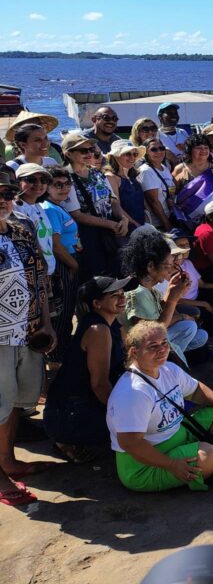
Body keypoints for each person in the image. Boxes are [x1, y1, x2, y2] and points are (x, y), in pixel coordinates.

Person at [106, 321, 213, 492]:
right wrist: (172, 465)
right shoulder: (133, 392)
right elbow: (131, 443)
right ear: (134, 352)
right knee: (211, 455)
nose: (162, 350)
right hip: (143, 465)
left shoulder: (168, 369)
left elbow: (196, 390)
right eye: (153, 346)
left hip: (176, 434)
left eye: (164, 343)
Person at [0, 173, 56, 505]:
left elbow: (40, 282)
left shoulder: (22, 230)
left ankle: (7, 459)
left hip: (28, 330)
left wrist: (46, 324)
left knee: (17, 404)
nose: (3, 198)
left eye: (7, 192)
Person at [43, 276, 131, 463]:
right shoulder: (98, 329)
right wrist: (127, 414)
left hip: (83, 406)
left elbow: (134, 356)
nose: (122, 298)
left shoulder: (113, 324)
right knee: (139, 429)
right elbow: (100, 385)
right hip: (67, 415)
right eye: (114, 295)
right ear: (97, 303)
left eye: (122, 293)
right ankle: (68, 442)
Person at [121, 227, 209, 362]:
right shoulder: (138, 293)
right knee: (189, 327)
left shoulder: (150, 288)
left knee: (200, 335)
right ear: (150, 266)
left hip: (157, 337)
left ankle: (172, 355)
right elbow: (150, 334)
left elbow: (162, 311)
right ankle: (169, 359)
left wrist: (172, 291)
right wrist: (174, 300)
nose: (171, 271)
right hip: (146, 347)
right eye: (167, 266)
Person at [62, 131, 128, 279]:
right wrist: (111, 224)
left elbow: (113, 200)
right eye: (83, 150)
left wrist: (123, 219)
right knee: (97, 278)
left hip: (108, 232)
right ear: (68, 154)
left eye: (91, 150)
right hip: (88, 237)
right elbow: (76, 214)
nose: (89, 153)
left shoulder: (97, 173)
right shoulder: (66, 178)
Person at [44, 167, 81, 361]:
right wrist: (74, 265)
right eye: (58, 184)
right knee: (63, 313)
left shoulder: (58, 206)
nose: (64, 188)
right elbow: (56, 245)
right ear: (47, 187)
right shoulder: (49, 209)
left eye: (67, 184)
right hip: (63, 265)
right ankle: (57, 358)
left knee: (67, 313)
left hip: (69, 260)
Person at [14, 163, 56, 276]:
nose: (38, 184)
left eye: (43, 180)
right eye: (31, 179)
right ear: (18, 183)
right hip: (35, 273)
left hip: (48, 271)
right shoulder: (15, 208)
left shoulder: (39, 206)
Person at [105, 139, 148, 230]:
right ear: (115, 156)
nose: (132, 158)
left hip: (141, 226)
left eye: (135, 154)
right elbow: (116, 207)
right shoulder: (110, 177)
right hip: (126, 230)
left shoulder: (132, 176)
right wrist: (136, 225)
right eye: (127, 154)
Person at [138, 136, 177, 231]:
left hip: (170, 217)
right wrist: (167, 226)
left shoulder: (164, 167)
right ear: (146, 152)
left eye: (161, 148)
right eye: (154, 149)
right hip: (159, 224)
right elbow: (153, 202)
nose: (159, 152)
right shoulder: (146, 171)